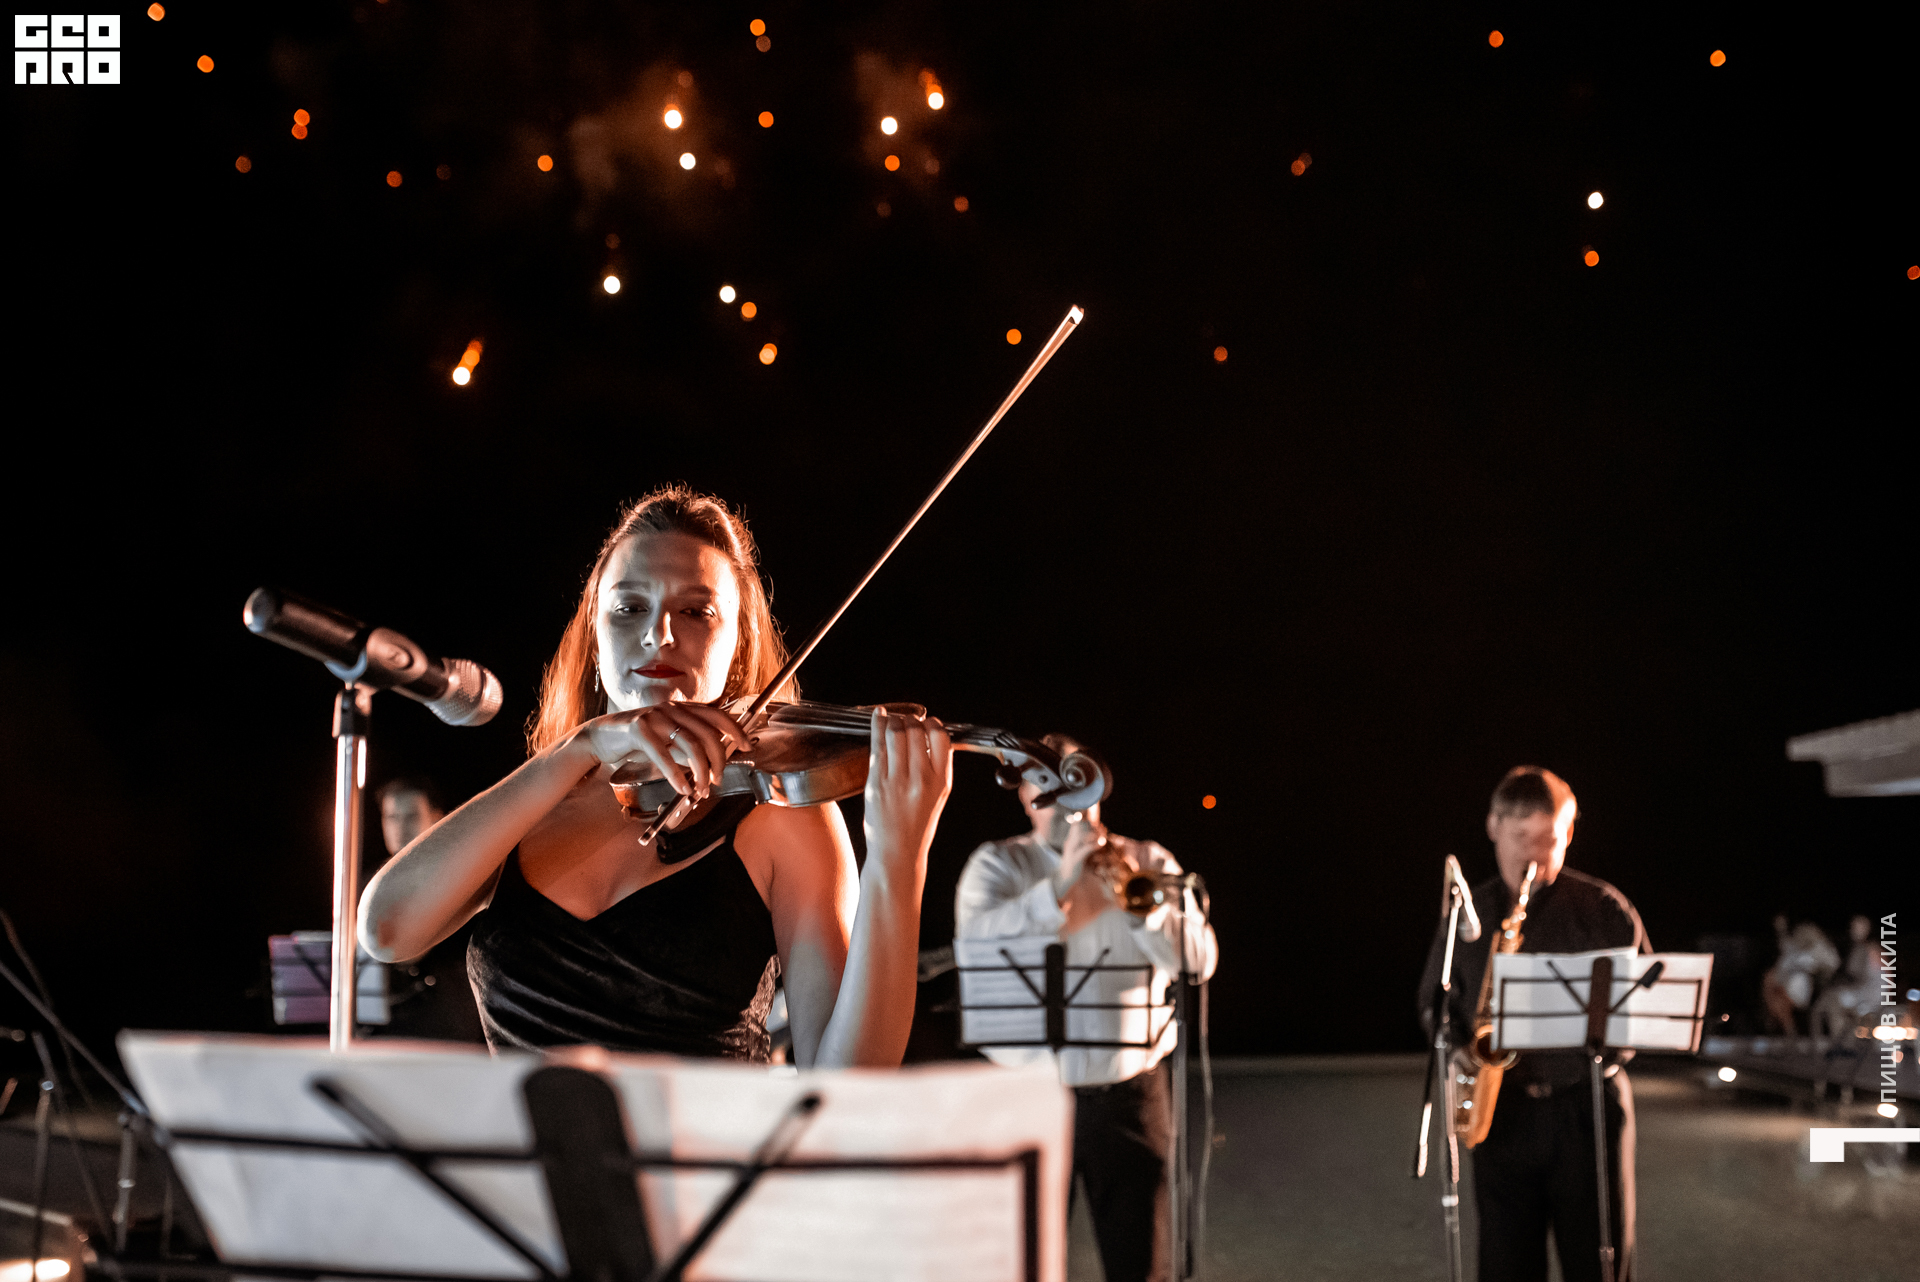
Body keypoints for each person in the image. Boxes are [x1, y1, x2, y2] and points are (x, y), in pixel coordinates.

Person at [359, 486, 953, 1068]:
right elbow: (387, 931)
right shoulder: (538, 799)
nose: (659, 634)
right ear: (595, 637)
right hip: (517, 1138)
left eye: (696, 611)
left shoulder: (783, 814)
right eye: (629, 607)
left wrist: (898, 861)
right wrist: (577, 748)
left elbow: (845, 1080)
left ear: (736, 643)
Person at [955, 735, 1217, 1282]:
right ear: (1025, 797)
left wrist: (1142, 910)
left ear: (1096, 787)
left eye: (1076, 786)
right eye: (1047, 789)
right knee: (1020, 1262)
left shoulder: (1147, 859)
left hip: (1128, 1096)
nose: (1067, 807)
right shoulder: (997, 864)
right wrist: (1061, 885)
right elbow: (975, 944)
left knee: (1141, 1265)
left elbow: (1198, 960)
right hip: (1024, 1096)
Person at [1417, 766, 1648, 1282]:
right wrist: (1460, 1051)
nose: (1536, 855)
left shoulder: (1604, 908)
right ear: (1493, 827)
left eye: (1551, 839)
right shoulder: (1469, 913)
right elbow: (1434, 1001)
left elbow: (1642, 1010)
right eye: (1522, 837)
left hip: (1586, 1107)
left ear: (1569, 834)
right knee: (1505, 1265)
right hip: (1502, 1112)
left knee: (1601, 1263)